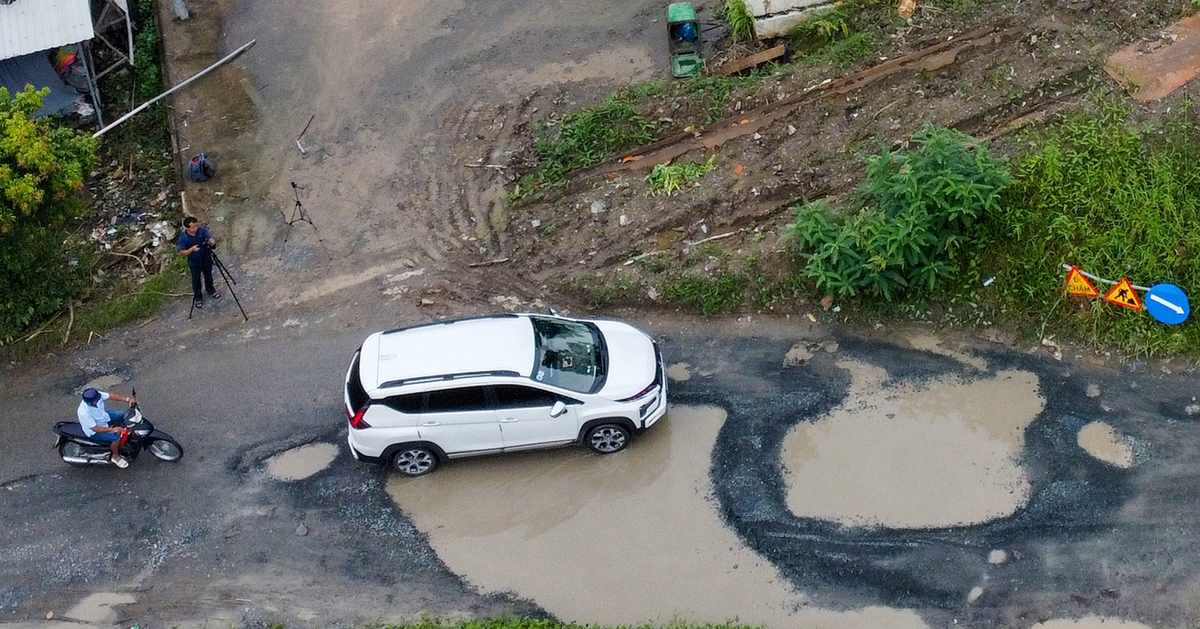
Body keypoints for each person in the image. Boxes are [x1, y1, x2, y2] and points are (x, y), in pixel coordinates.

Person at [77, 388, 136, 468]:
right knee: (116, 438)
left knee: (124, 414)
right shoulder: (84, 412)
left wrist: (127, 399)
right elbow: (95, 428)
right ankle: (115, 456)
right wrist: (113, 429)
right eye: (96, 400)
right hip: (95, 431)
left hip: (104, 417)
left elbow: (111, 396)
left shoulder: (97, 396)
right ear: (90, 402)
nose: (98, 400)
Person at [178, 216, 222, 309]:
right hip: (194, 263)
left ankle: (211, 290)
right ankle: (198, 297)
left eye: (196, 226)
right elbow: (182, 252)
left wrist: (211, 241)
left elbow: (209, 237)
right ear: (188, 228)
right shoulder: (183, 238)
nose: (195, 228)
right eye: (193, 227)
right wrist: (191, 249)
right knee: (196, 280)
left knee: (208, 275)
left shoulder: (201, 230)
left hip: (206, 258)